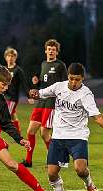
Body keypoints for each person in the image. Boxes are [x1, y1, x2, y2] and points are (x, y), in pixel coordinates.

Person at [29, 63, 103, 191]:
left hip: (78, 136)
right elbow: (41, 93)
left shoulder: (86, 94)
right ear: (67, 76)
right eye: (71, 79)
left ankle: (90, 185)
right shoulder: (59, 87)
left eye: (77, 80)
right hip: (58, 136)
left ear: (82, 79)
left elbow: (96, 116)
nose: (73, 83)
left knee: (80, 169)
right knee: (51, 173)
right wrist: (34, 92)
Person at [22, 39, 68, 167]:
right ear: (45, 50)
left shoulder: (60, 65)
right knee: (30, 131)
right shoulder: (43, 64)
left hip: (51, 103)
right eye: (49, 49)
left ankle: (57, 159)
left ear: (57, 52)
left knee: (44, 133)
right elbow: (43, 82)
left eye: (53, 50)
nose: (51, 51)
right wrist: (36, 81)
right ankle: (28, 161)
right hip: (40, 102)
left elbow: (65, 84)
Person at [0, 47, 33, 134]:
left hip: (12, 97)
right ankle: (18, 133)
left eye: (13, 56)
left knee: (5, 116)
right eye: (9, 56)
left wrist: (29, 96)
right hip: (4, 96)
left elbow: (24, 83)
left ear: (15, 57)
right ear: (5, 57)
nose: (10, 58)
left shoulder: (18, 70)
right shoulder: (3, 69)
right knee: (12, 115)